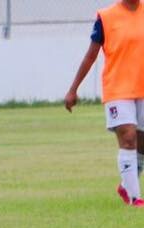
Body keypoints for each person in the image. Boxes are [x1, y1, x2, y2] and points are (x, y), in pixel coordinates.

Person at [66, 0, 144, 206]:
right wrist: (73, 89)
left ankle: (126, 184)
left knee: (142, 144)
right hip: (117, 89)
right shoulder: (106, 17)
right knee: (128, 138)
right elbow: (91, 55)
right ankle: (135, 198)